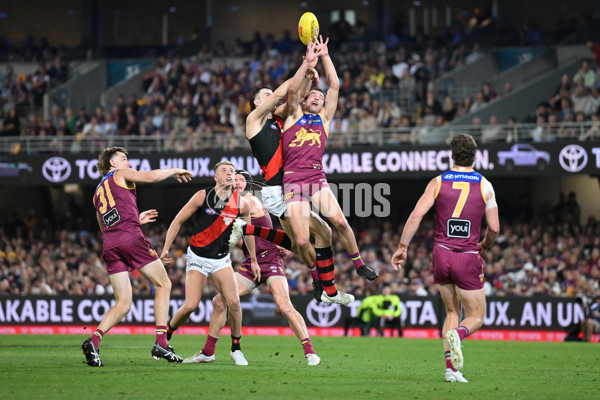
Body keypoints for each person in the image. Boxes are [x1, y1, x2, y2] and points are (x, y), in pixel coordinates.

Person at [230, 38, 354, 304]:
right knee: (311, 238)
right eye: (264, 95)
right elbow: (284, 93)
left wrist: (310, 75)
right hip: (277, 189)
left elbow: (295, 96)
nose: (270, 96)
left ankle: (322, 285)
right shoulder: (254, 121)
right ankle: (321, 284)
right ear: (256, 103)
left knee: (315, 237)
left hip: (294, 186)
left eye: (269, 94)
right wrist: (305, 64)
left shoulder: (283, 119)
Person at [391, 134, 499, 383]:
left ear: (451, 155)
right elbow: (493, 228)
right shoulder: (485, 185)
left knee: (452, 311)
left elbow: (417, 214)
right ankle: (459, 336)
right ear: (474, 156)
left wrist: (402, 246)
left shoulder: (438, 182)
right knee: (475, 317)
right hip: (467, 255)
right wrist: (484, 245)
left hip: (441, 253)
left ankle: (451, 369)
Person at [185, 171, 321, 365]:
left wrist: (284, 242)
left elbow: (260, 230)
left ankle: (310, 352)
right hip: (251, 263)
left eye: (242, 180)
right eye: (235, 180)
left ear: (247, 185)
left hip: (269, 260)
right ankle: (208, 352)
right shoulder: (231, 207)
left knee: (284, 305)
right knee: (218, 302)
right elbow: (243, 240)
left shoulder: (250, 202)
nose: (238, 183)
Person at [281, 35, 379, 303]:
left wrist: (325, 56)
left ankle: (359, 265)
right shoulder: (293, 116)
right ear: (304, 101)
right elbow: (292, 91)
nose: (318, 96)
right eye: (313, 94)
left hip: (315, 177)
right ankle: (316, 276)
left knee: (340, 222)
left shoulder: (324, 120)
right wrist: (308, 64)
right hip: (292, 180)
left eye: (320, 96)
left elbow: (335, 85)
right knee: (302, 242)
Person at [81, 146, 193, 367]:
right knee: (164, 284)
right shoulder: (119, 174)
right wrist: (174, 170)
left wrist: (134, 219)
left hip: (111, 244)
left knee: (123, 303)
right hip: (130, 238)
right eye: (124, 159)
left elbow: (104, 224)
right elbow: (151, 177)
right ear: (113, 163)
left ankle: (93, 341)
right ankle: (161, 341)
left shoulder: (97, 192)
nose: (128, 163)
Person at [160, 160, 256, 366]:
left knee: (234, 302)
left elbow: (248, 234)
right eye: (224, 171)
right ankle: (165, 337)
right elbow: (177, 221)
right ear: (216, 177)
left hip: (221, 259)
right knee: (191, 305)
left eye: (232, 171)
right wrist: (166, 248)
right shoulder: (202, 196)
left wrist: (253, 259)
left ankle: (236, 349)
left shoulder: (242, 203)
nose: (229, 173)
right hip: (198, 257)